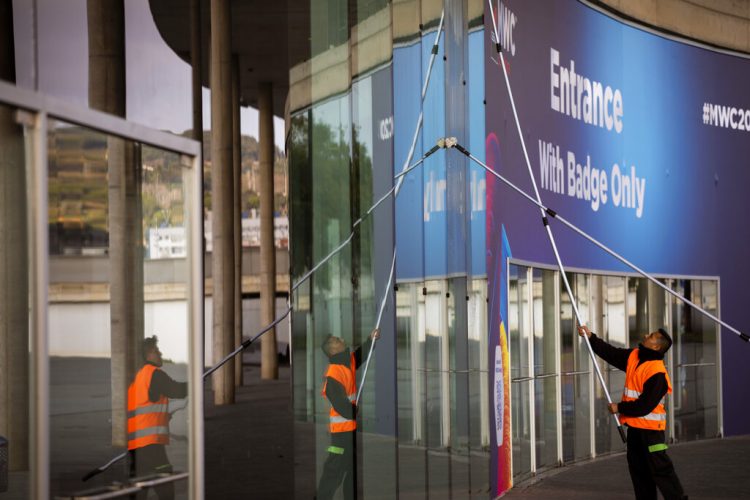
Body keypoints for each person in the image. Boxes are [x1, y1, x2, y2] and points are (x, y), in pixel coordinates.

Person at [577, 325, 687, 500]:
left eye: (651, 335)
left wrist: (619, 408)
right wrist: (591, 337)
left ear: (657, 346)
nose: (646, 334)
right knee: (640, 475)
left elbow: (645, 406)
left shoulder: (657, 373)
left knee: (662, 472)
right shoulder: (634, 356)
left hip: (652, 433)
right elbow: (610, 353)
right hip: (635, 430)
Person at [316, 328, 380, 500]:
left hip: (349, 430)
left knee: (351, 471)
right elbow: (340, 403)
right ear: (333, 349)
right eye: (337, 339)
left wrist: (370, 340)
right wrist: (354, 410)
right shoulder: (333, 374)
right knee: (334, 471)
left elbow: (360, 355)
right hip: (341, 433)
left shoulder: (346, 362)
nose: (342, 338)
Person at [127, 336, 187, 499]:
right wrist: (195, 383)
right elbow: (177, 390)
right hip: (150, 443)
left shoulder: (139, 378)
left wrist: (164, 414)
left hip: (136, 444)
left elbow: (145, 409)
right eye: (155, 351)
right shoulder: (154, 374)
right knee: (165, 480)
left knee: (140, 487)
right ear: (147, 356)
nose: (160, 353)